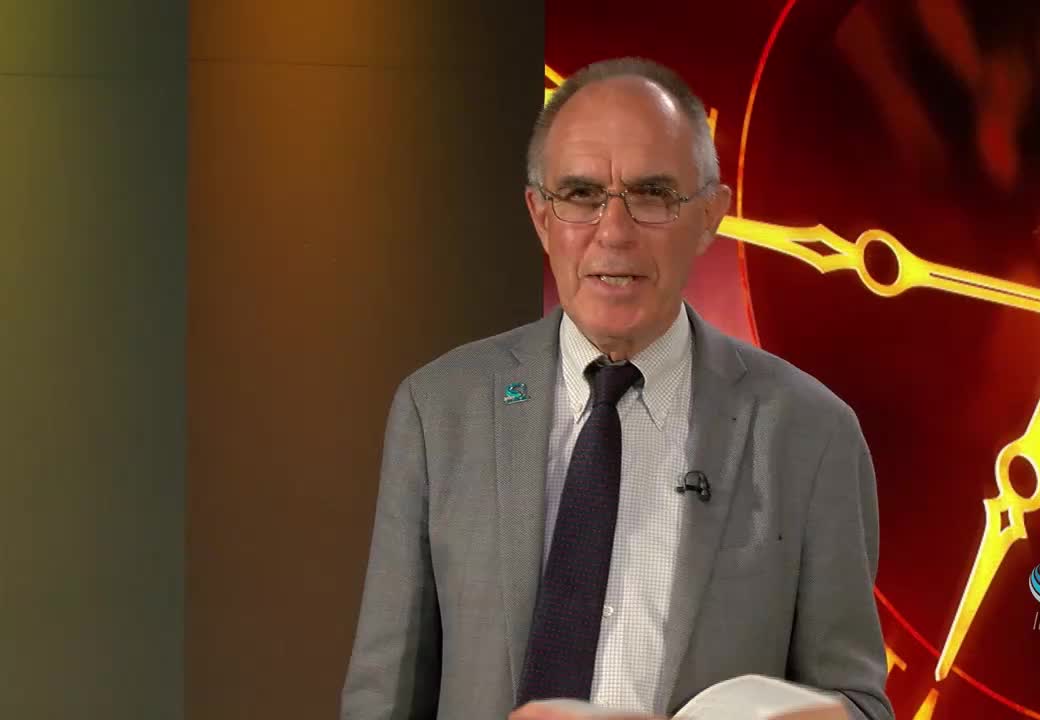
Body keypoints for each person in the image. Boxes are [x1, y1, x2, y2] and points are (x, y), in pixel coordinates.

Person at [340, 57, 893, 720]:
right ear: (540, 215)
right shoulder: (440, 411)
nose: (614, 231)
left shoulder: (811, 434)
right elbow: (382, 701)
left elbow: (860, 704)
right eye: (580, 195)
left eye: (653, 195)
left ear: (711, 216)